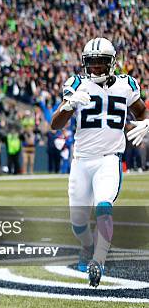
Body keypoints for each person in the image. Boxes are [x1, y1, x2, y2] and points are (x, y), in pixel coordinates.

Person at [50, 37, 148, 287]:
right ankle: (87, 245)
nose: (95, 68)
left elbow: (142, 110)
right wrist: (70, 105)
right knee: (78, 223)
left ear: (111, 63)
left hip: (109, 159)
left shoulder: (126, 85)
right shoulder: (77, 84)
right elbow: (54, 124)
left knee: (104, 205)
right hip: (81, 161)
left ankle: (99, 260)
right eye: (91, 63)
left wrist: (146, 123)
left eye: (100, 63)